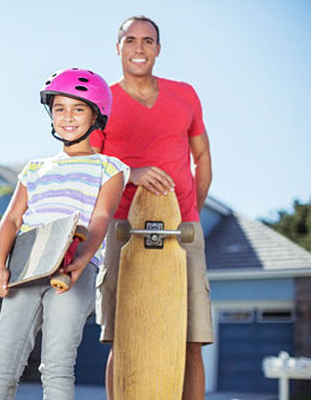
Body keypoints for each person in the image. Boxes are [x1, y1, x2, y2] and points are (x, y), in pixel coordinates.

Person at [0, 68, 129, 400]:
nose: (67, 117)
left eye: (78, 109)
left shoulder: (110, 167)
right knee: (3, 364)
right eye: (59, 108)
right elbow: (11, 219)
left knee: (57, 365)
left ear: (95, 116)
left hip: (71, 270)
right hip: (25, 268)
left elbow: (101, 217)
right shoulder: (34, 169)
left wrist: (82, 261)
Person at [90, 16, 214, 400]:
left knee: (190, 339)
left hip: (183, 230)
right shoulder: (102, 102)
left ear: (158, 49)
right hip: (123, 227)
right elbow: (92, 167)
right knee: (121, 337)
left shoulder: (185, 95)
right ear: (118, 47)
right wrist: (131, 173)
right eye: (131, 40)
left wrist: (191, 209)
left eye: (148, 41)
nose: (139, 48)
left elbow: (202, 155)